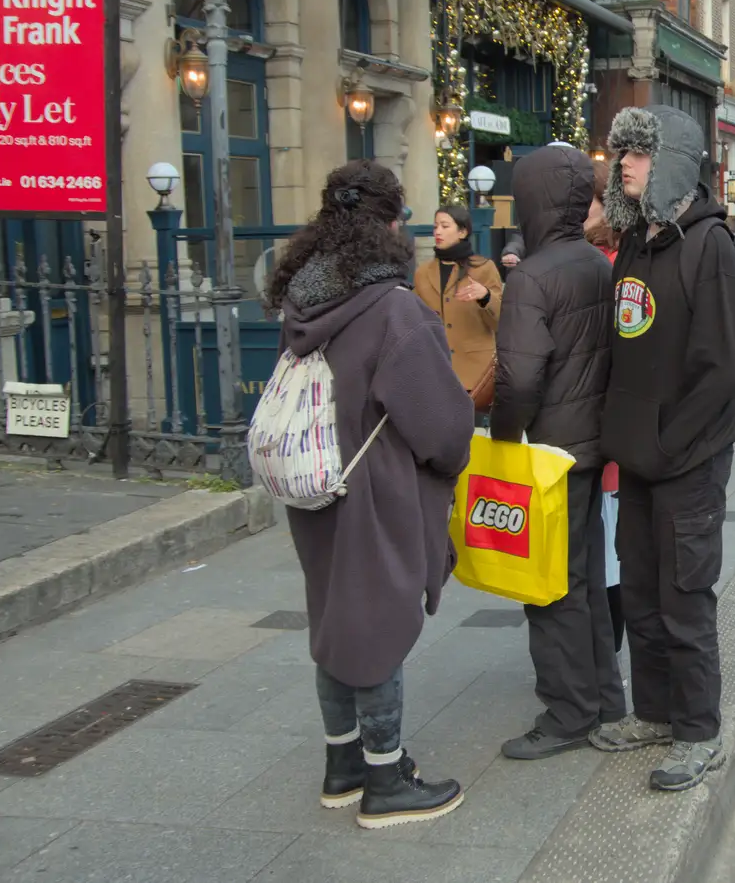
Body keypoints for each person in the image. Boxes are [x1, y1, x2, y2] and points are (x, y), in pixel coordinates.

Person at [266, 161, 472, 829]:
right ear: (389, 224)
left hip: (315, 485)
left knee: (333, 617)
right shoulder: (393, 309)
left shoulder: (304, 299)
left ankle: (343, 763)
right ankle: (385, 778)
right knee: (378, 622)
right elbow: (440, 424)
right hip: (375, 487)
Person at [592, 104, 735, 792]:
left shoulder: (709, 246)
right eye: (620, 151)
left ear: (673, 163)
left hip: (686, 462)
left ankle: (698, 730)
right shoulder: (635, 244)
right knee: (645, 594)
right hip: (639, 461)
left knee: (685, 598)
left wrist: (670, 445)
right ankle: (653, 712)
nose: (622, 162)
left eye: (638, 152)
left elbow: (721, 367)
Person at [490, 144, 624, 760]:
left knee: (546, 584)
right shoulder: (598, 265)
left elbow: (518, 380)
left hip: (547, 453)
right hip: (593, 446)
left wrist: (503, 440)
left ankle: (567, 711)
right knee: (589, 578)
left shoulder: (532, 277)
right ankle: (603, 698)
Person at [584, 159, 626, 652]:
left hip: (603, 431)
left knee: (609, 551)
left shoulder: (613, 267)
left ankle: (606, 644)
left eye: (588, 204)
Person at [414, 204, 502, 407]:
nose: (437, 231)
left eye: (445, 226)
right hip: (434, 370)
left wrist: (486, 297)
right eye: (436, 226)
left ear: (462, 231)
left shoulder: (483, 268)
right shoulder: (422, 273)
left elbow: (501, 321)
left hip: (475, 374)